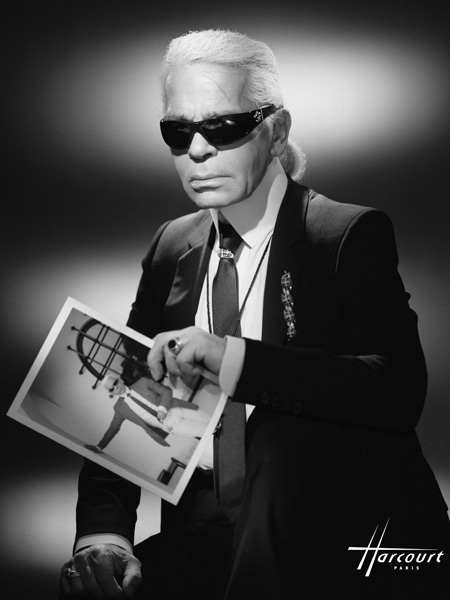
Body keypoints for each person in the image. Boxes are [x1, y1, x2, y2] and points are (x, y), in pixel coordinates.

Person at [60, 29, 450, 599]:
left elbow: (397, 390)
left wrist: (234, 360)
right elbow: (128, 389)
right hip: (206, 540)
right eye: (178, 132)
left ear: (277, 130)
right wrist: (105, 535)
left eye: (222, 127)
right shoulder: (170, 245)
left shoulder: (343, 234)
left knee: (277, 432)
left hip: (344, 540)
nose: (197, 150)